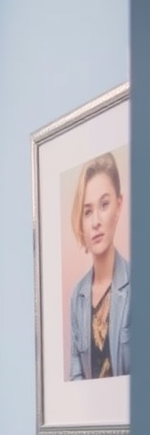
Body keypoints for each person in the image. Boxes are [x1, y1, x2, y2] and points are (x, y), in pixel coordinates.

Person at [68, 152, 130, 379]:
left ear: (118, 205)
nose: (96, 222)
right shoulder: (78, 297)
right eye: (87, 211)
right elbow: (76, 377)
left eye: (104, 204)